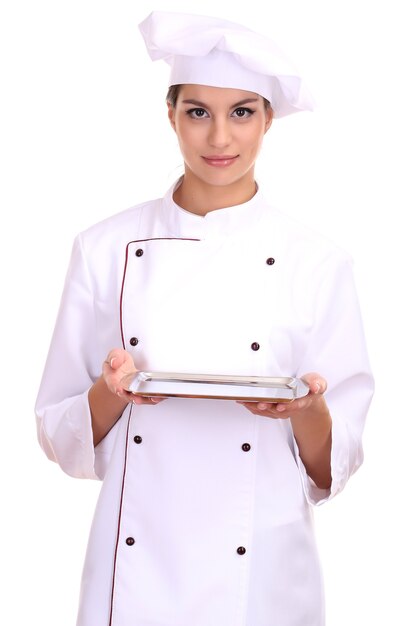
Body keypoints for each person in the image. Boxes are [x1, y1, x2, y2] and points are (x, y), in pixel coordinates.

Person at [35, 10, 374, 626]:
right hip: (137, 571)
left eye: (242, 112)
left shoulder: (319, 262)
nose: (220, 138)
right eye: (198, 112)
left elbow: (334, 468)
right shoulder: (104, 249)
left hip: (263, 572)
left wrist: (309, 407)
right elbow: (59, 439)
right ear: (171, 116)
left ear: (269, 119)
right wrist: (112, 394)